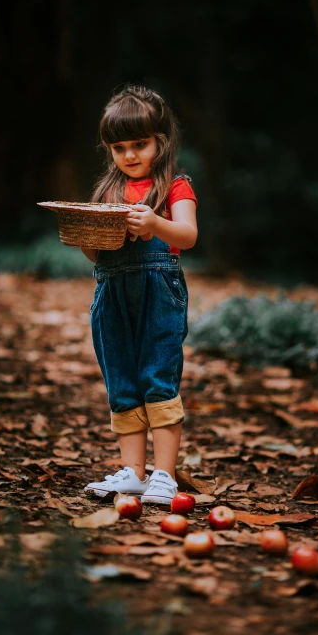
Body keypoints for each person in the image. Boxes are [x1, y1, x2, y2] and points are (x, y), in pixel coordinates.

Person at [81, 85, 198, 505]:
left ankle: (164, 475)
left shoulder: (174, 187)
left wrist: (155, 223)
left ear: (160, 142)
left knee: (157, 375)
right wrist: (84, 236)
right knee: (123, 379)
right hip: (112, 292)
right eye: (118, 147)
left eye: (139, 144)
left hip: (159, 291)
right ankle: (132, 472)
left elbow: (187, 235)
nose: (129, 155)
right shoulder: (107, 193)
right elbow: (96, 251)